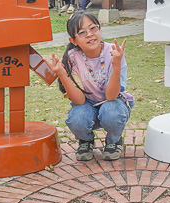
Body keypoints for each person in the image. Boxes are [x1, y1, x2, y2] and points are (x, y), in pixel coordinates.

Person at [45, 11, 134, 161]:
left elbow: (111, 96)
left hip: (112, 103)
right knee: (77, 117)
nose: (89, 34)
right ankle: (85, 141)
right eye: (81, 32)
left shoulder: (113, 52)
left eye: (93, 28)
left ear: (99, 29)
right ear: (73, 40)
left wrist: (117, 65)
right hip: (87, 105)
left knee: (111, 110)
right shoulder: (72, 58)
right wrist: (62, 75)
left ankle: (114, 140)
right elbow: (79, 101)